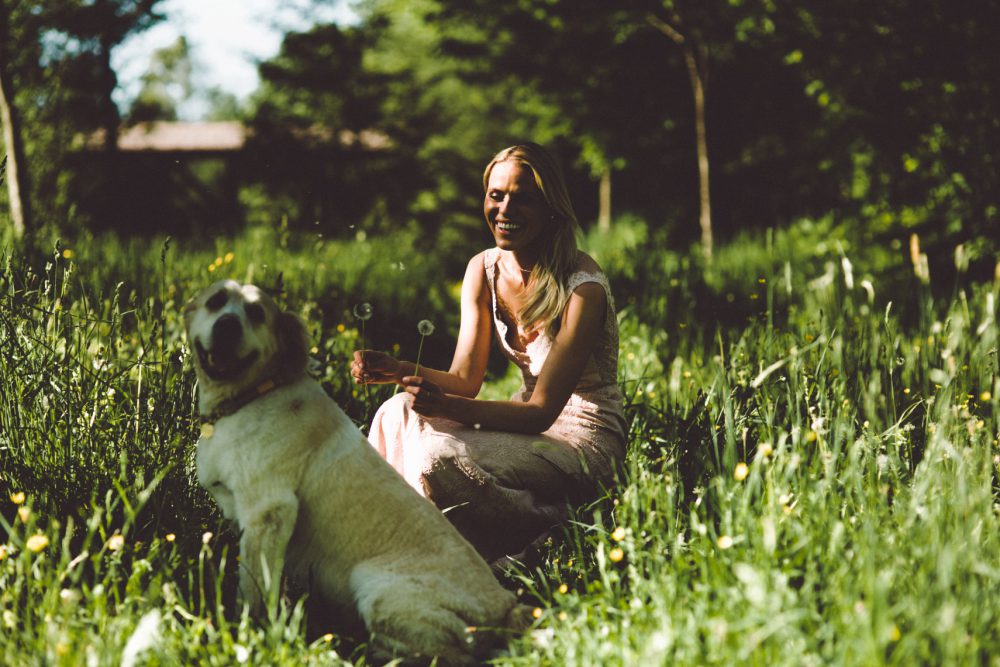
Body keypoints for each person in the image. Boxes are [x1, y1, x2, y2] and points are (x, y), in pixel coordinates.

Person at [351, 142, 626, 566]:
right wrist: (399, 369)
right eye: (496, 195)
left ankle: (552, 527)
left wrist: (449, 408)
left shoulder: (582, 288)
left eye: (523, 198)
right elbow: (466, 377)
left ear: (550, 206)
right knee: (396, 412)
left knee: (438, 458)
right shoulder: (484, 268)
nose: (505, 209)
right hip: (532, 429)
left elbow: (540, 411)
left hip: (584, 439)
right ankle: (390, 536)